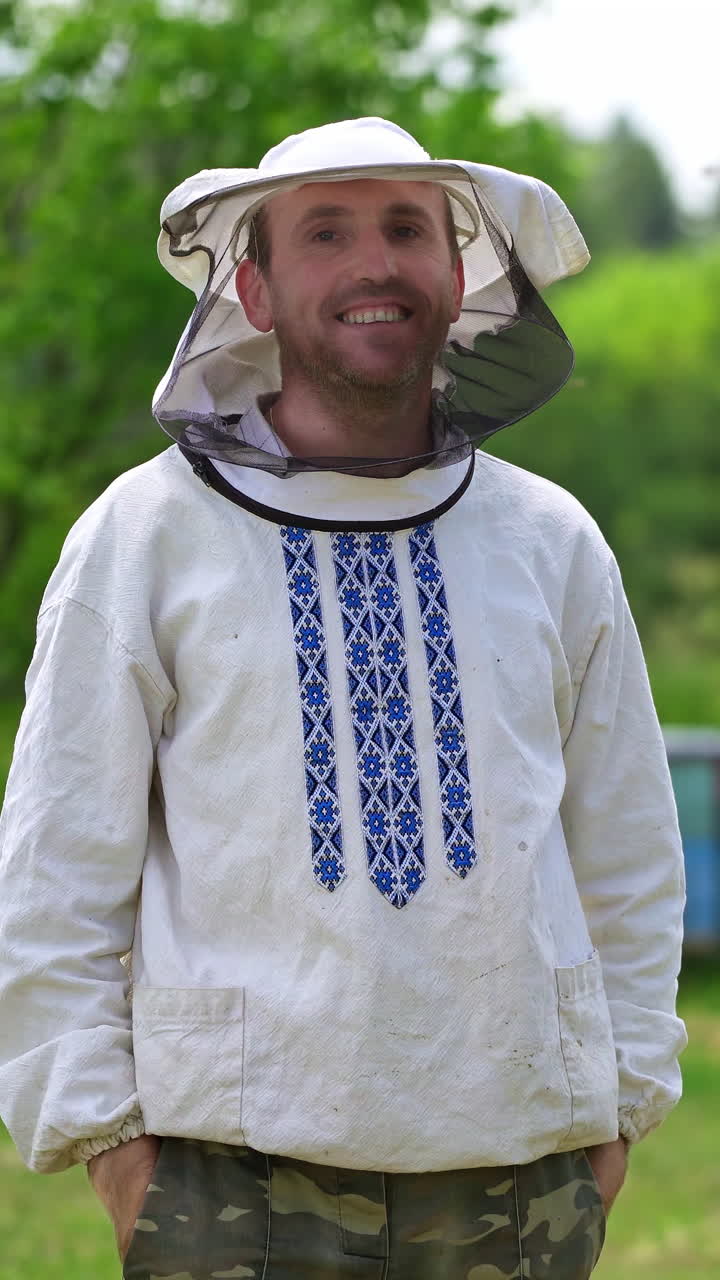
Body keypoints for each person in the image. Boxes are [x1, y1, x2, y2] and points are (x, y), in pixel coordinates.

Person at [0, 117, 686, 1279]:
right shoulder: (145, 536)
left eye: (406, 228)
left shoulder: (550, 540)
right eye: (327, 231)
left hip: (522, 1175)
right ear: (256, 288)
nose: (375, 264)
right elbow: (56, 871)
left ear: (459, 274)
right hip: (228, 1183)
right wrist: (118, 1156)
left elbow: (627, 853)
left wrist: (616, 1118)